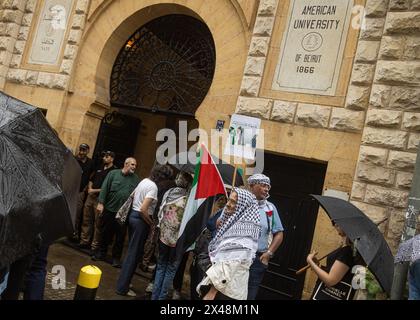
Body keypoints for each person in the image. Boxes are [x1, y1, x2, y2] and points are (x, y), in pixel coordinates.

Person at [115, 165, 172, 297]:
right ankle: (122, 288)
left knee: (131, 252)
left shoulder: (144, 181)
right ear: (162, 177)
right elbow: (143, 209)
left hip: (132, 217)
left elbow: (134, 196)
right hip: (140, 220)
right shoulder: (153, 187)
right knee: (133, 255)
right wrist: (151, 223)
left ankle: (125, 282)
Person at [198, 188, 261, 300]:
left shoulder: (243, 232)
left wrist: (212, 292)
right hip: (225, 287)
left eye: (233, 202)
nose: (228, 204)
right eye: (229, 200)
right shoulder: (236, 226)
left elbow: (229, 264)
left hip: (225, 292)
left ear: (243, 207)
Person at [151, 171, 193, 300]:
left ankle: (155, 296)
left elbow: (161, 212)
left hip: (163, 236)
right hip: (176, 241)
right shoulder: (188, 200)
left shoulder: (169, 193)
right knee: (170, 269)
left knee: (161, 265)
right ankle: (161, 297)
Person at [93, 157, 140, 266]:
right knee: (105, 233)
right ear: (126, 164)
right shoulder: (113, 174)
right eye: (132, 164)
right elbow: (105, 187)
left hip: (123, 213)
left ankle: (116, 258)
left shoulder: (136, 179)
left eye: (135, 165)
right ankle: (101, 253)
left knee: (120, 236)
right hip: (110, 209)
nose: (134, 167)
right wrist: (101, 203)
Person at [247, 173, 284, 300]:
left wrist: (268, 253)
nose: (266, 189)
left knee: (249, 296)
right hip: (238, 256)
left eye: (268, 186)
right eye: (263, 185)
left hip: (258, 260)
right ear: (252, 186)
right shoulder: (241, 203)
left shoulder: (270, 208)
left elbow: (279, 233)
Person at [307, 221, 363, 300]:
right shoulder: (346, 248)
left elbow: (330, 280)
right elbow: (333, 271)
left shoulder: (347, 252)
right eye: (334, 223)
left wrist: (310, 261)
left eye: (337, 223)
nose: (335, 226)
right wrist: (317, 266)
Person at [79, 151, 117, 252]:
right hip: (90, 197)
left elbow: (109, 188)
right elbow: (91, 179)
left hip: (100, 199)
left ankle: (94, 245)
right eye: (104, 156)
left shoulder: (114, 172)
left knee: (98, 223)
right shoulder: (99, 167)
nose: (104, 158)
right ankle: (84, 241)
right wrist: (90, 188)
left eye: (107, 156)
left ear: (112, 159)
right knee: (86, 219)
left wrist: (94, 190)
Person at [73, 143, 94, 241]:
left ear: (88, 151)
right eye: (80, 149)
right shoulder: (73, 159)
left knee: (77, 213)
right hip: (70, 189)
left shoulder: (91, 163)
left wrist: (87, 186)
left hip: (81, 191)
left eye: (84, 150)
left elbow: (92, 175)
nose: (81, 152)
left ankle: (75, 234)